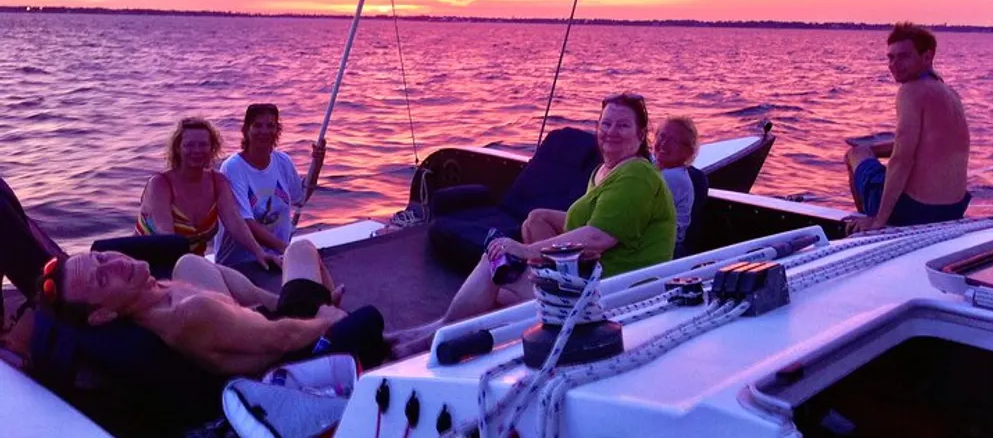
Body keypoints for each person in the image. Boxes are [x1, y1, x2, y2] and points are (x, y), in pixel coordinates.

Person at [391, 93, 676, 357]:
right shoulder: (607, 170)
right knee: (499, 291)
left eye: (623, 125)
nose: (612, 132)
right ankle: (435, 330)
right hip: (591, 277)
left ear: (641, 135)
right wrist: (543, 219)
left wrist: (526, 251)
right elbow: (594, 220)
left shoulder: (637, 175)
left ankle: (428, 339)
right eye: (606, 123)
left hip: (615, 290)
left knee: (494, 263)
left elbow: (599, 236)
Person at [36, 239, 388, 376]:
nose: (114, 263)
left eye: (100, 257)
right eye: (101, 279)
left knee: (190, 263)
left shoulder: (154, 291)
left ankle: (294, 301)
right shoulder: (190, 313)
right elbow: (281, 339)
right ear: (104, 315)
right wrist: (324, 321)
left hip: (255, 320)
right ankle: (345, 316)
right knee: (301, 252)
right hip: (291, 348)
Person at [844, 23, 971, 234]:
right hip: (953, 210)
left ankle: (869, 219)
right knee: (865, 151)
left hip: (915, 212)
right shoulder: (949, 94)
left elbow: (902, 159)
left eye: (904, 57)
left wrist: (878, 221)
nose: (894, 64)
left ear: (927, 57)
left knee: (854, 154)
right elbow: (925, 145)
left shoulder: (910, 91)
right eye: (890, 58)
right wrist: (874, 150)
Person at [136, 117, 280, 269]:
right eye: (189, 145)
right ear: (178, 148)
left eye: (203, 145)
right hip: (150, 265)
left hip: (193, 264)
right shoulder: (160, 184)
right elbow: (166, 237)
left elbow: (235, 223)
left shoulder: (217, 181)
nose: (197, 150)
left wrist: (259, 252)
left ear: (212, 148)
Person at [214, 104, 326, 267]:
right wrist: (287, 249)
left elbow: (300, 198)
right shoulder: (233, 167)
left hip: (278, 257)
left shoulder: (283, 161)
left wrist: (318, 164)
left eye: (270, 126)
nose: (264, 131)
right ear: (246, 130)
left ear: (277, 131)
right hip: (242, 263)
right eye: (257, 125)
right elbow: (245, 222)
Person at [652, 116, 700, 247]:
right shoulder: (655, 164)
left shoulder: (674, 177)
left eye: (673, 141)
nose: (664, 144)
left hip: (666, 246)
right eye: (662, 136)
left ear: (687, 152)